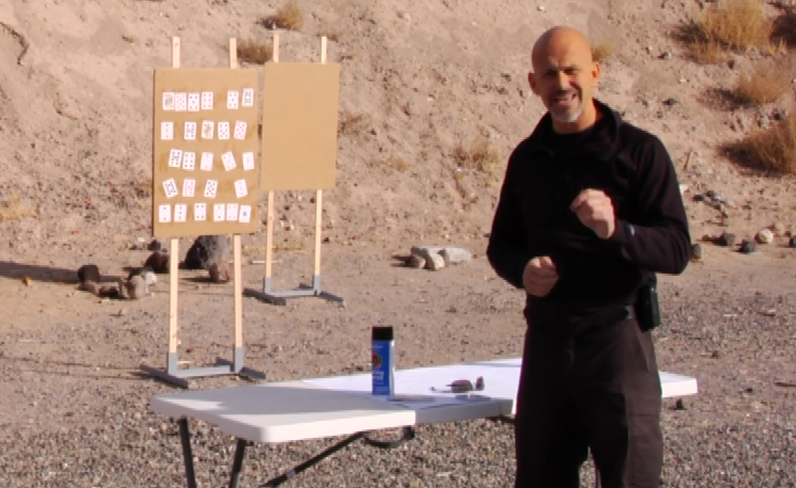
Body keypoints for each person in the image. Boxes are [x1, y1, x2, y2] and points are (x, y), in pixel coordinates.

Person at [486, 26, 692, 488]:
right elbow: (501, 246)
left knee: (631, 477)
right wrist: (522, 270)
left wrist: (616, 231)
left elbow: (677, 249)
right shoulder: (527, 159)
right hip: (548, 343)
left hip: (617, 341)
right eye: (549, 74)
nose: (562, 84)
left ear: (595, 73)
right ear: (532, 83)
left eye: (572, 70)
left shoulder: (640, 152)